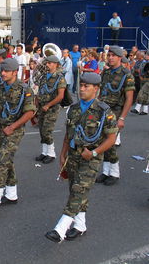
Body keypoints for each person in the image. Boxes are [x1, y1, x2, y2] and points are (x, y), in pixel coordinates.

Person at [45, 73, 118, 243]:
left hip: (91, 158)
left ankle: (60, 229)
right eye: (82, 85)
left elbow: (111, 139)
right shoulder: (74, 108)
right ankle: (80, 225)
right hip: (73, 154)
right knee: (76, 190)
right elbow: (69, 134)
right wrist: (63, 153)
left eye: (87, 86)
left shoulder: (104, 112)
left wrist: (93, 152)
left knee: (78, 190)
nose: (82, 89)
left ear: (96, 89)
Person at [0, 58, 36, 210]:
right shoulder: (2, 87)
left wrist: (12, 127)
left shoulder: (25, 90)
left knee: (1, 161)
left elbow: (30, 112)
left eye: (6, 71)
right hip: (1, 129)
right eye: (1, 71)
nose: (3, 73)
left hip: (15, 130)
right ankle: (12, 195)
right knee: (7, 162)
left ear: (15, 72)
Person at [96, 46, 135, 186]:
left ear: (120, 57)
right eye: (109, 55)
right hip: (103, 111)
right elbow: (101, 93)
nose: (110, 57)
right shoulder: (105, 73)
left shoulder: (126, 75)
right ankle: (106, 171)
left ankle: (114, 172)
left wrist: (122, 118)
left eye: (113, 55)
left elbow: (129, 98)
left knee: (110, 142)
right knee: (103, 141)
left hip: (116, 111)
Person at [35, 55, 67, 164]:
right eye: (47, 63)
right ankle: (44, 152)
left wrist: (48, 105)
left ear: (56, 64)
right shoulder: (44, 76)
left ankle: (51, 153)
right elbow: (40, 91)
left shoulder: (59, 78)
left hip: (52, 108)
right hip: (42, 106)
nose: (47, 65)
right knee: (41, 129)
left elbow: (60, 96)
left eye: (50, 63)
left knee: (47, 130)